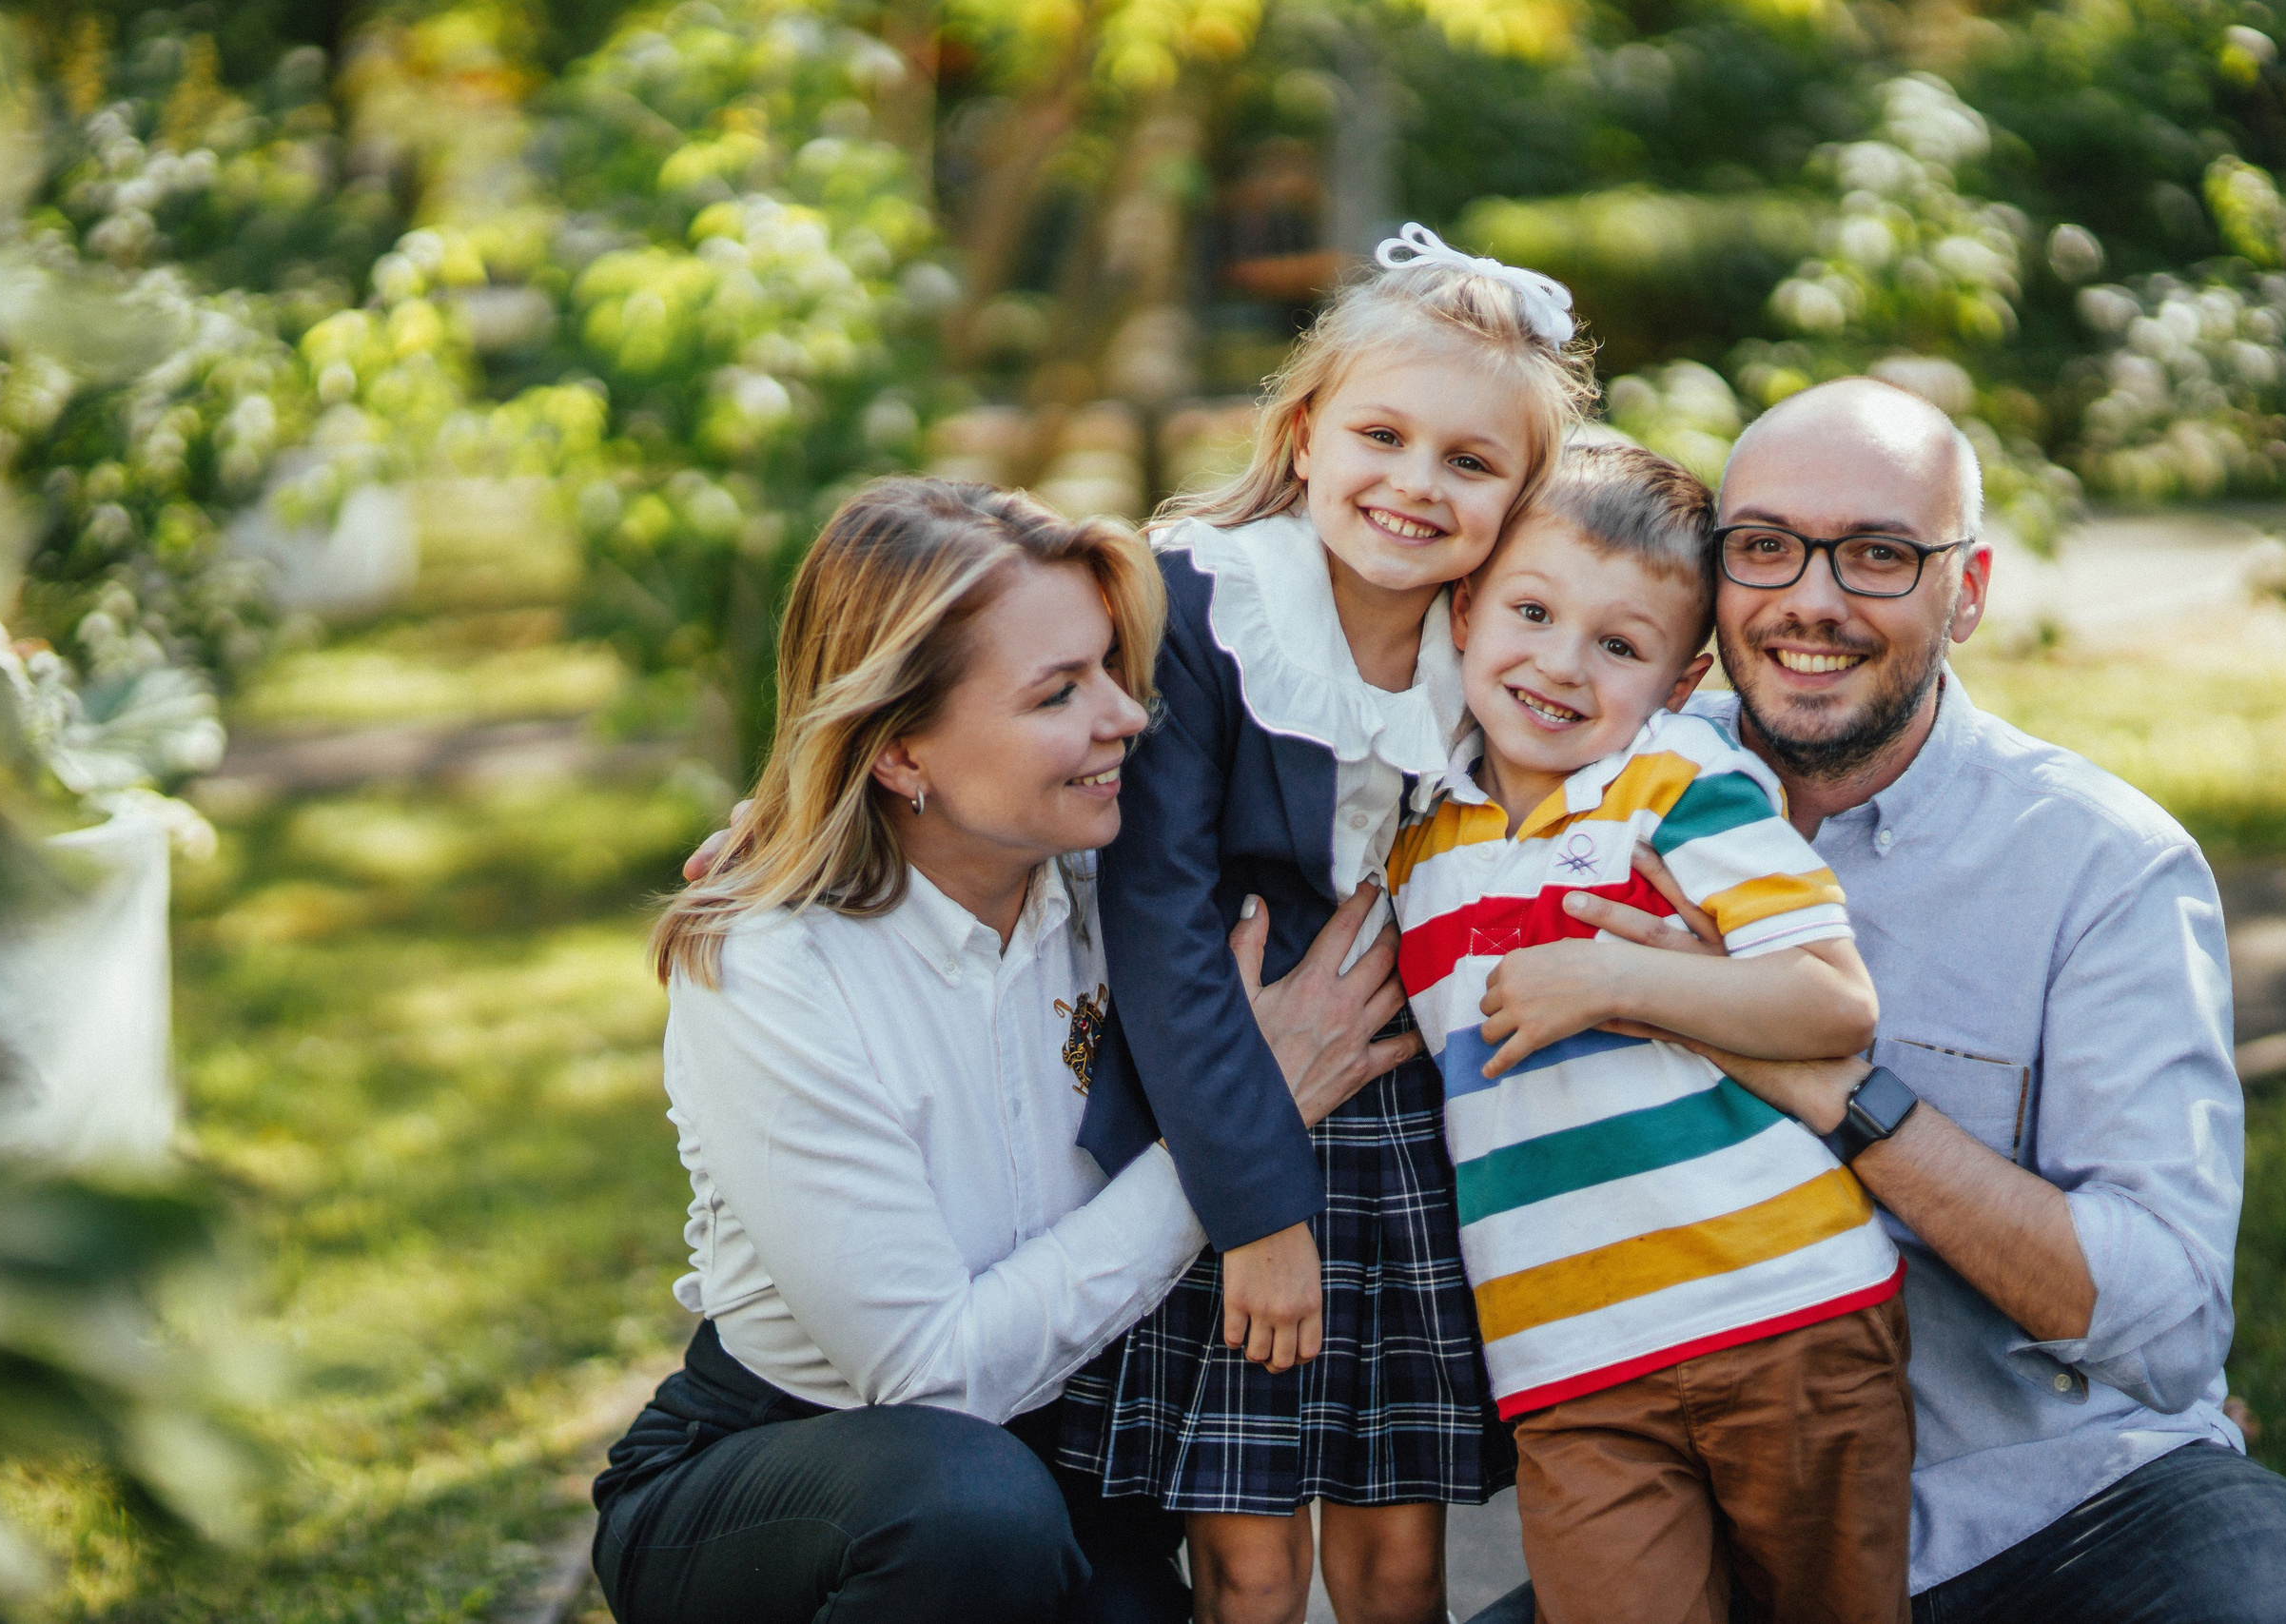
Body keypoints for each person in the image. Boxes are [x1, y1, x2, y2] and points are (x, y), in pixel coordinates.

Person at [1493, 377, 2286, 1624]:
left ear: (1971, 590)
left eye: (1879, 554)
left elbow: (2163, 1327)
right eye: (1765, 546)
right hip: (1715, 1527)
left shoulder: (2102, 863)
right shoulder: (1587, 774)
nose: (1812, 599)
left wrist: (1831, 1083)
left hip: (2064, 1498)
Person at [596, 478, 1421, 1624]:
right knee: (966, 1515)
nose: (1127, 717)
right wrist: (1237, 1131)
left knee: (1094, 1579)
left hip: (1068, 1462)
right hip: (807, 1475)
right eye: (1057, 694)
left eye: (1111, 671)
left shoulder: (1122, 893)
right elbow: (929, 1378)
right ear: (898, 752)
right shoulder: (771, 969)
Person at [1056, 225, 1595, 1624]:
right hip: (1227, 1119)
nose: (1415, 483)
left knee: (1395, 1550)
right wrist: (1254, 1211)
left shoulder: (1501, 645)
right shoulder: (1199, 602)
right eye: (1382, 434)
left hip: (1405, 1127)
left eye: (1470, 463)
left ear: (1521, 498)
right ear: (1304, 435)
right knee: (1245, 1559)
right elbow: (1161, 926)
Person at [1392, 444, 1911, 1624]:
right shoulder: (1413, 835)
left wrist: (1610, 978)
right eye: (1531, 611)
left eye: (1619, 646)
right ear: (1466, 610)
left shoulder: (1676, 781)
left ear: (1677, 683)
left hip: (1783, 1313)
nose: (1560, 665)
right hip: (1567, 1370)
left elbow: (1830, 1000)